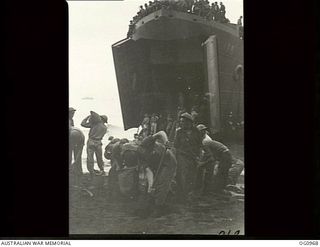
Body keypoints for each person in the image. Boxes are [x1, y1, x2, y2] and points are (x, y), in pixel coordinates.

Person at [137, 131, 177, 217]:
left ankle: (159, 207)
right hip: (158, 164)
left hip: (168, 160)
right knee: (156, 184)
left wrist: (166, 141)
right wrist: (150, 186)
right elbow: (148, 171)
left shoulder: (145, 142)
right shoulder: (141, 157)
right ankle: (166, 199)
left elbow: (161, 133)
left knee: (162, 182)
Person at [197, 124, 233, 194]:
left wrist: (201, 164)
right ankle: (219, 189)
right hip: (224, 154)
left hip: (224, 155)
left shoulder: (205, 141)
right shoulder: (204, 140)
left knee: (221, 172)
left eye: (203, 131)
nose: (203, 132)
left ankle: (219, 190)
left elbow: (210, 156)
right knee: (222, 172)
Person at [174, 112, 202, 200]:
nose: (181, 123)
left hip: (193, 157)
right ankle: (182, 195)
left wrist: (198, 156)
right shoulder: (179, 132)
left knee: (192, 175)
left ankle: (189, 193)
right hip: (182, 156)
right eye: (180, 121)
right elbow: (176, 145)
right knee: (182, 175)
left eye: (183, 122)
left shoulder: (196, 131)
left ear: (189, 122)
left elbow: (199, 145)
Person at [81, 111, 108, 176]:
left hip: (91, 141)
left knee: (90, 157)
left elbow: (82, 124)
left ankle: (91, 171)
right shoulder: (105, 127)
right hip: (99, 142)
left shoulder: (94, 124)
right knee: (99, 157)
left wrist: (88, 117)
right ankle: (102, 170)